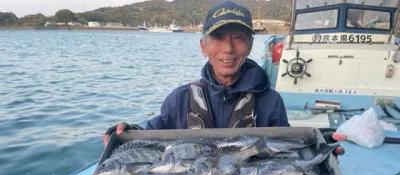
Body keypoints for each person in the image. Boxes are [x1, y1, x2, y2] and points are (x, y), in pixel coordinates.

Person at [103, 0, 344, 157]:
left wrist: (318, 144)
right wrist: (128, 132)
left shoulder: (270, 101)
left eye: (238, 37)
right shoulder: (179, 99)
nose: (228, 48)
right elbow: (152, 136)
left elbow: (285, 147)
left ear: (249, 46)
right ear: (203, 46)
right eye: (218, 37)